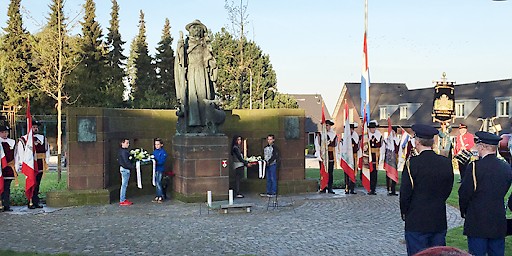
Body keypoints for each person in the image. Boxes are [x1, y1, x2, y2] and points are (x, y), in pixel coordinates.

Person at [399, 124, 454, 256]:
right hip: (438, 218)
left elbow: (405, 193)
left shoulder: (412, 163)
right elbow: (448, 188)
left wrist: (405, 212)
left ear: (417, 142)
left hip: (416, 220)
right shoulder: (445, 162)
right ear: (433, 142)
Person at [458, 131, 512, 256]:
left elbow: (465, 193)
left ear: (482, 146)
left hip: (477, 220)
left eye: (478, 145)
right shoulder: (506, 167)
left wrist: (464, 211)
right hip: (498, 219)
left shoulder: (474, 167)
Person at [18, 120, 50, 209]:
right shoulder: (24, 139)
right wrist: (23, 165)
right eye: (33, 127)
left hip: (40, 164)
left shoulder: (42, 138)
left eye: (36, 127)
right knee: (31, 182)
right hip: (30, 165)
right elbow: (21, 153)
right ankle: (30, 201)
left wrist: (46, 162)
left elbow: (46, 151)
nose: (35, 129)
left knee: (37, 183)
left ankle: (36, 201)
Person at [0, 122, 16, 212]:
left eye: (6, 132)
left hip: (8, 167)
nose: (5, 134)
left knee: (7, 187)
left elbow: (15, 155)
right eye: (3, 132)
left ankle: (6, 204)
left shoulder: (12, 142)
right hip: (0, 168)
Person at [320, 120, 337, 194]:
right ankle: (323, 187)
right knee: (323, 172)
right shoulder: (320, 134)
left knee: (330, 172)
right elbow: (317, 145)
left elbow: (335, 145)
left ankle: (330, 187)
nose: (327, 127)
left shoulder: (334, 135)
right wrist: (319, 155)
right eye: (326, 125)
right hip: (323, 155)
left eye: (328, 125)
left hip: (330, 155)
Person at [368, 120, 383, 195]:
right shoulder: (366, 136)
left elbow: (381, 146)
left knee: (374, 173)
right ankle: (369, 187)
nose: (373, 129)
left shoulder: (379, 136)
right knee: (369, 173)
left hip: (376, 157)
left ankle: (373, 189)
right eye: (371, 128)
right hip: (369, 157)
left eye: (374, 128)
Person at [118, 138, 134, 206]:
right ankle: (122, 200)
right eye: (127, 143)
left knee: (124, 184)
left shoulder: (122, 151)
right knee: (124, 185)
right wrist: (132, 167)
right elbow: (126, 162)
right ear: (122, 143)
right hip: (125, 169)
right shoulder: (124, 152)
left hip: (124, 168)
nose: (128, 144)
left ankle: (123, 199)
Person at [152, 138, 168, 203]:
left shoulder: (163, 152)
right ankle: (158, 195)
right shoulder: (155, 151)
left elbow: (161, 161)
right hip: (155, 169)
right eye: (155, 144)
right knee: (156, 182)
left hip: (160, 169)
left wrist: (155, 161)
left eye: (158, 144)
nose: (156, 146)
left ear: (161, 145)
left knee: (158, 182)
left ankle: (160, 196)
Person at [344, 123, 358, 194]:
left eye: (352, 129)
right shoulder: (345, 137)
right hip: (347, 157)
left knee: (353, 172)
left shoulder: (355, 137)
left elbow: (357, 147)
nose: (350, 130)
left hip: (354, 156)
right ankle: (347, 187)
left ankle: (352, 188)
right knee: (346, 172)